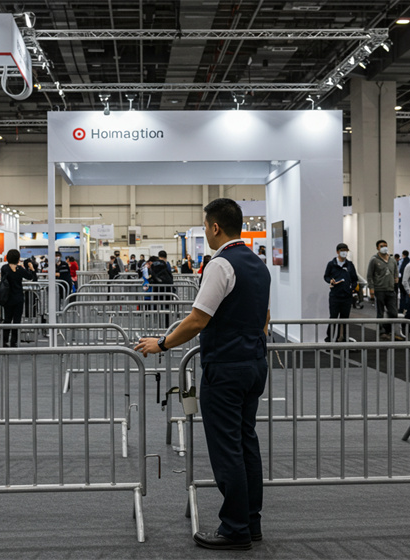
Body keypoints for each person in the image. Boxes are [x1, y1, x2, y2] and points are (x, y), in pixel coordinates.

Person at [135, 198, 270, 550]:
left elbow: (198, 319)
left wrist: (161, 344)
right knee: (246, 444)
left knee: (227, 450)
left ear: (214, 227)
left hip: (225, 367)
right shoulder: (258, 264)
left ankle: (235, 528)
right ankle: (250, 522)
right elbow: (265, 317)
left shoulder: (221, 265)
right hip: (254, 363)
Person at [0, 249, 37, 347]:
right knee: (17, 320)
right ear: (18, 258)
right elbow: (31, 277)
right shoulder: (20, 269)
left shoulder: (4, 268)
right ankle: (14, 341)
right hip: (18, 298)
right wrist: (31, 268)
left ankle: (4, 340)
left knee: (7, 319)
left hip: (7, 298)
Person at [366, 239, 403, 341]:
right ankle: (381, 332)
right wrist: (371, 289)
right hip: (379, 290)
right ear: (377, 248)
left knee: (393, 313)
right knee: (380, 313)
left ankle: (387, 330)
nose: (384, 247)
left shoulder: (392, 260)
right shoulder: (374, 260)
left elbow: (396, 274)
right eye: (381, 246)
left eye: (385, 245)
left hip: (391, 290)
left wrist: (396, 286)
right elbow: (370, 276)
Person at [323, 243, 358, 342]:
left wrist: (352, 288)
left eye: (346, 250)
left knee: (345, 319)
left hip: (347, 296)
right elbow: (326, 276)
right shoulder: (331, 264)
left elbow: (354, 279)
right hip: (335, 296)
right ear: (337, 252)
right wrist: (331, 280)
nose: (344, 252)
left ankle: (343, 339)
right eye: (342, 250)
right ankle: (330, 339)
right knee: (333, 318)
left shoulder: (350, 265)